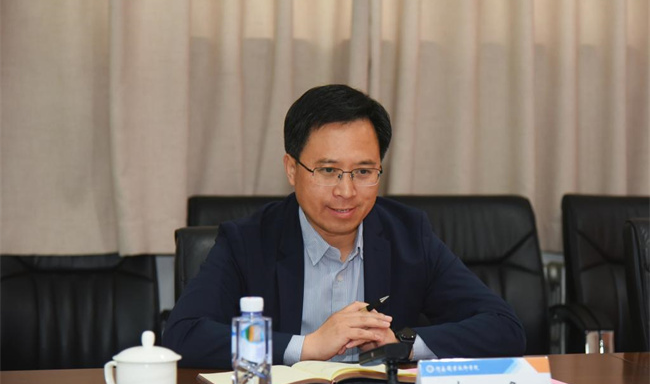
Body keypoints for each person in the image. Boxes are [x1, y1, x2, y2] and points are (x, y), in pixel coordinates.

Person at [163, 84, 526, 368]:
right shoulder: (247, 241)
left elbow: (503, 327)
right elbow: (183, 334)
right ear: (292, 169)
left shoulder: (408, 235)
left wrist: (402, 343)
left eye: (364, 171)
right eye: (328, 170)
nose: (346, 191)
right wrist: (306, 346)